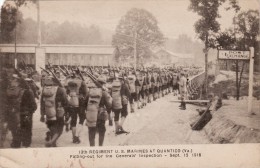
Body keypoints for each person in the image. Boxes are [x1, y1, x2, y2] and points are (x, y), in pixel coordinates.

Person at [6, 73, 37, 148]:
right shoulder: (28, 91)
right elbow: (34, 106)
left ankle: (16, 143)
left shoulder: (10, 91)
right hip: (26, 114)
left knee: (15, 129)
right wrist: (30, 112)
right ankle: (26, 144)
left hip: (14, 113)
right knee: (27, 129)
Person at [40, 75, 68, 147]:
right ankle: (52, 142)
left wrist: (42, 114)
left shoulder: (45, 89)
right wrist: (67, 112)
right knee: (60, 129)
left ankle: (52, 141)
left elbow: (42, 102)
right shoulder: (61, 90)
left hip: (48, 112)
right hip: (58, 112)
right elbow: (65, 102)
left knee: (52, 128)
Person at [85, 76, 112, 146]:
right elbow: (109, 105)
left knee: (91, 132)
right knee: (101, 132)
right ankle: (100, 147)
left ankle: (92, 148)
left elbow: (84, 103)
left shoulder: (90, 92)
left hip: (91, 114)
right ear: (103, 84)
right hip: (101, 115)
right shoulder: (104, 93)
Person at [65, 74, 87, 144]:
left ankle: (74, 137)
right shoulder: (82, 82)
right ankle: (77, 136)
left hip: (72, 101)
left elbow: (67, 92)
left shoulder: (70, 82)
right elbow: (86, 93)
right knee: (82, 119)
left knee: (73, 120)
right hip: (81, 102)